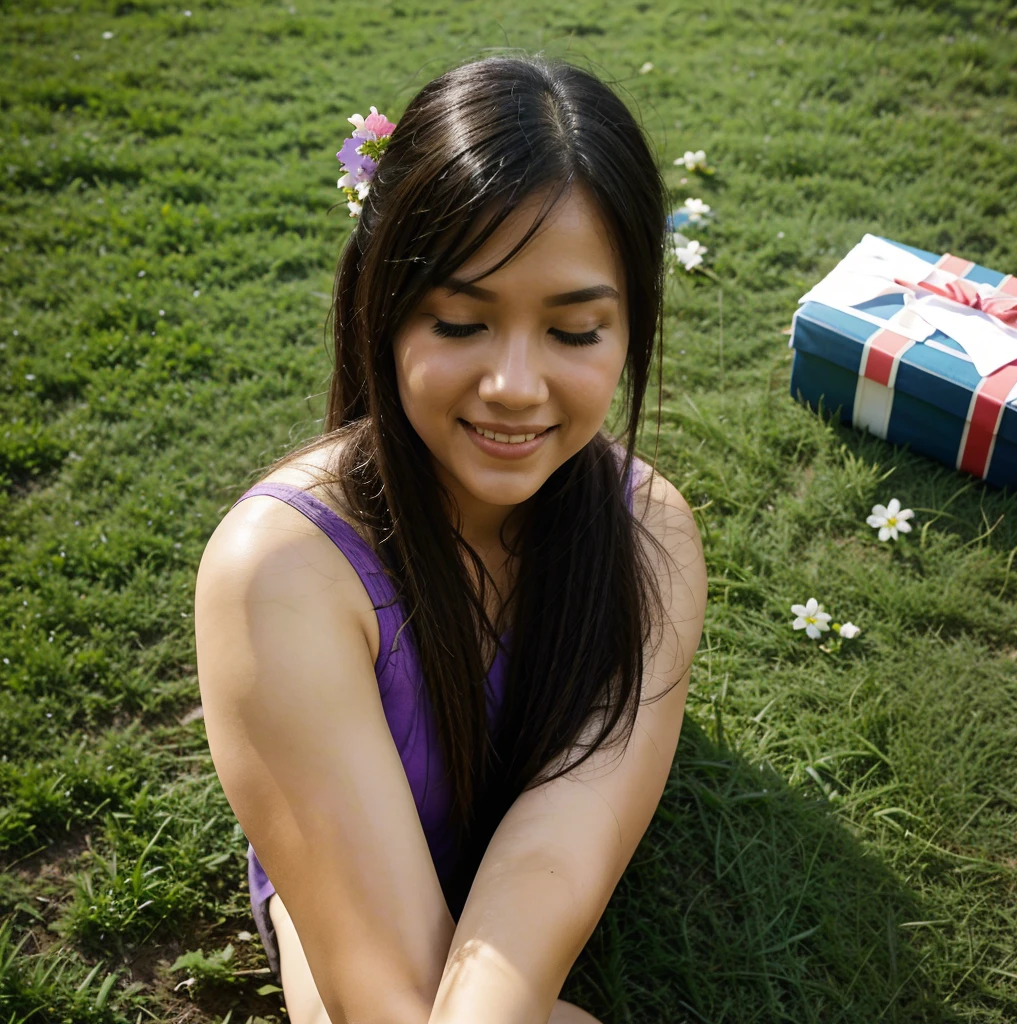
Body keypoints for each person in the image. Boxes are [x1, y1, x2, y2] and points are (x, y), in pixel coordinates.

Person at [194, 53, 707, 1024]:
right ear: (385, 312)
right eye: (463, 319)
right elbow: (381, 994)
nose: (514, 383)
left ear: (631, 327)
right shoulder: (280, 572)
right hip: (339, 891)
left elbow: (558, 851)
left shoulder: (652, 540)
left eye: (574, 331)